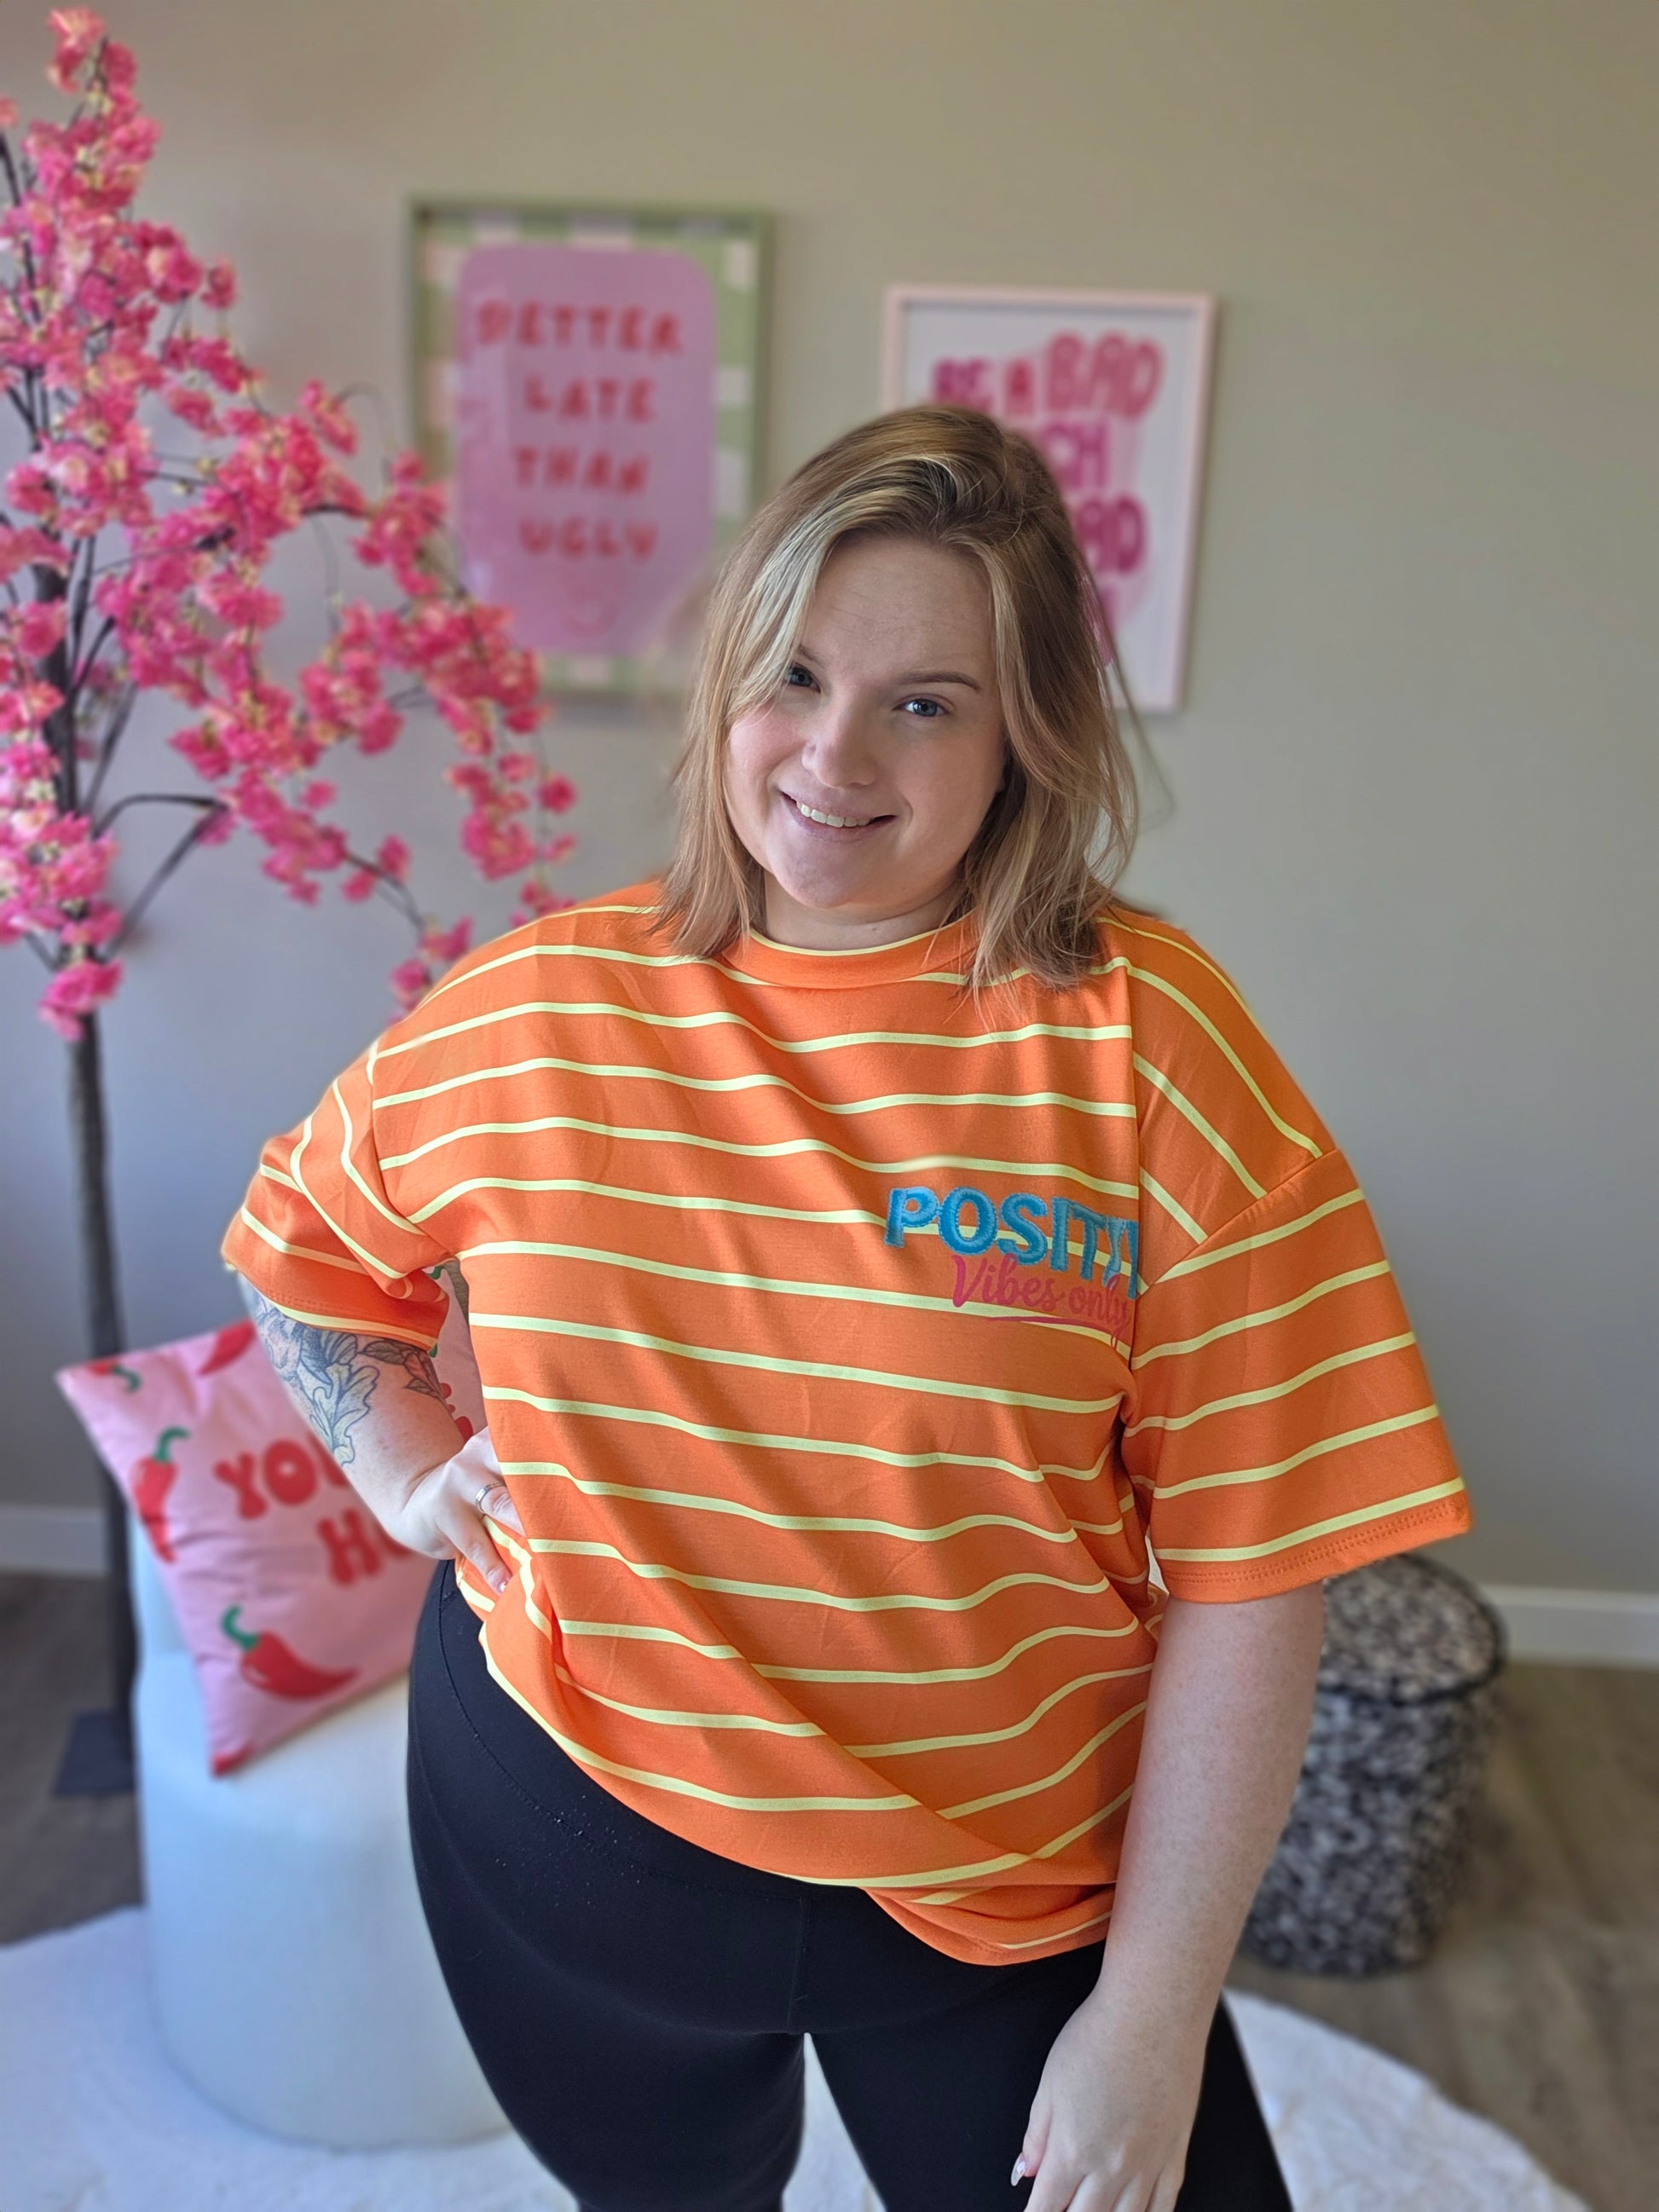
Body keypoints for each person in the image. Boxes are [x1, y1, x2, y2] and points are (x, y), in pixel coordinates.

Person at [223, 404, 1472, 2212]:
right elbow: (298, 1252)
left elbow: (1257, 1561)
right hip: (564, 1825)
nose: (833, 753)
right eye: (794, 674)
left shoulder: (1148, 1047)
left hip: (1004, 1892)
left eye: (925, 701)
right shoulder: (531, 1010)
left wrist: (1151, 2015)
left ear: (1023, 736)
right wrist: (402, 1457)